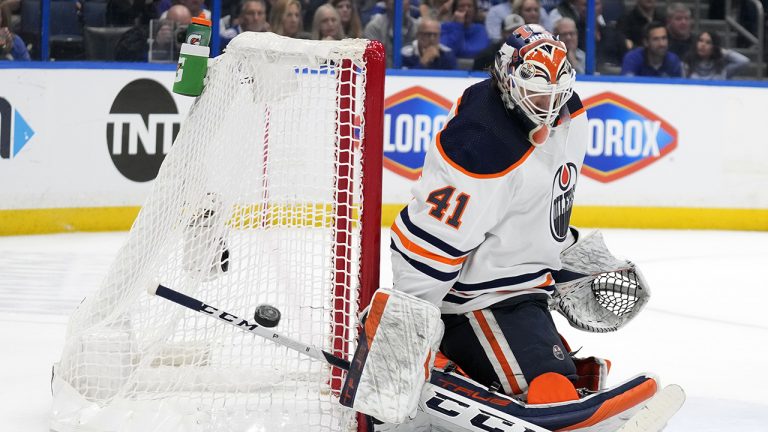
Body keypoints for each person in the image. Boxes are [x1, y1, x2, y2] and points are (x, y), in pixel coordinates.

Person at [390, 21, 588, 406]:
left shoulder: (571, 112)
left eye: (555, 94)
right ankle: (448, 356)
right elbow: (428, 249)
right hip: (471, 303)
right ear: (507, 79)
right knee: (551, 388)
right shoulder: (480, 145)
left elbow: (534, 204)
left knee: (565, 377)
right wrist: (409, 335)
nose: (547, 108)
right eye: (536, 93)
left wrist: (565, 255)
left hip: (520, 290)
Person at [115, 4, 191, 61]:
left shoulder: (194, 36)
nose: (181, 33)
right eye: (176, 27)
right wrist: (157, 45)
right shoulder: (143, 33)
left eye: (185, 29)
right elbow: (122, 56)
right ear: (165, 23)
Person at [363, 0, 417, 67]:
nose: (398, 2)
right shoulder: (374, 27)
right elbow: (372, 62)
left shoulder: (418, 28)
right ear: (386, 2)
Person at [683, 30, 749, 79]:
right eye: (700, 40)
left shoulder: (722, 68)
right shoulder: (688, 64)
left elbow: (744, 61)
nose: (703, 45)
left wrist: (720, 51)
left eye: (708, 42)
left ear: (714, 46)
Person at [485, 0, 551, 42]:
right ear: (519, 12)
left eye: (536, 10)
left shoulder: (545, 35)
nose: (533, 13)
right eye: (528, 10)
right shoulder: (513, 36)